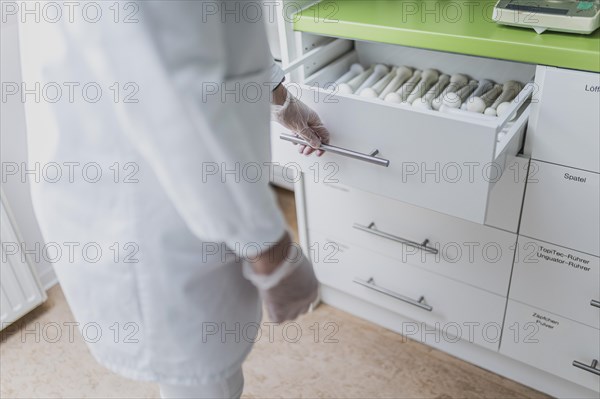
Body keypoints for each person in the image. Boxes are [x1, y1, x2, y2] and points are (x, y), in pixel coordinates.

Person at [18, 1, 330, 398]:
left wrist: (279, 96)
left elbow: (206, 25)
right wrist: (270, 247)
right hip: (149, 203)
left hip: (177, 187)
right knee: (202, 381)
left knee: (207, 375)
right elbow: (168, 90)